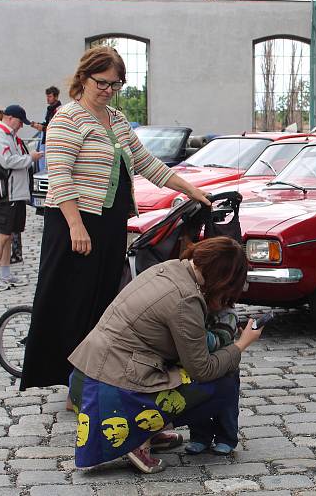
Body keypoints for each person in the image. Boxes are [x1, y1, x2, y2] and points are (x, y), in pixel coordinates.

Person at [20, 46, 212, 393]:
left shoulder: (118, 121)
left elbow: (147, 164)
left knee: (103, 306)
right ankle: (72, 385)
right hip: (74, 224)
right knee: (71, 304)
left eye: (116, 85)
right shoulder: (67, 119)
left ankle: (92, 382)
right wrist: (76, 226)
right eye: (103, 83)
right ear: (84, 77)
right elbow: (60, 177)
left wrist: (190, 189)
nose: (109, 90)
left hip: (109, 225)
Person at [67, 237, 262, 473]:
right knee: (223, 378)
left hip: (85, 376)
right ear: (223, 279)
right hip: (115, 388)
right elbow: (203, 370)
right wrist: (241, 344)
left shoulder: (170, 268)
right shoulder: (186, 299)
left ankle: (147, 429)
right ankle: (138, 438)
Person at [0, 105, 43, 291]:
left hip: (15, 193)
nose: (20, 126)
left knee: (9, 235)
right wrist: (30, 158)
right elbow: (7, 161)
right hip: (4, 194)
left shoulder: (10, 136)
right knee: (1, 235)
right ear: (10, 118)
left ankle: (5, 273)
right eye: (19, 122)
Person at [184, 306, 240, 455]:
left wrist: (192, 331)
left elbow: (217, 341)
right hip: (199, 367)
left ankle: (227, 438)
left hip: (225, 368)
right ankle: (200, 437)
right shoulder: (194, 311)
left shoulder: (228, 315)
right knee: (196, 402)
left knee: (227, 407)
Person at [31, 86, 62, 172]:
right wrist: (37, 125)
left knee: (47, 167)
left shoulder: (59, 110)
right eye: (47, 96)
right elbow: (47, 124)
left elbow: (56, 128)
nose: (47, 99)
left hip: (53, 142)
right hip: (45, 141)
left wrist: (43, 128)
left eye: (50, 96)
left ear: (56, 97)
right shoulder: (49, 110)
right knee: (42, 165)